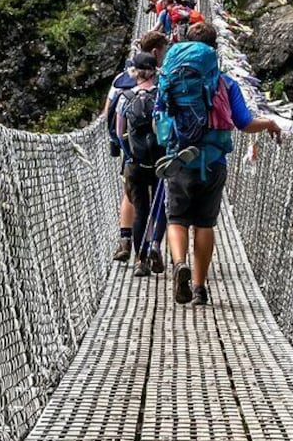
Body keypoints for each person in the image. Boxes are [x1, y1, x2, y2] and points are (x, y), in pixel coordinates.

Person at [161, 22, 281, 306]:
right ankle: (200, 288)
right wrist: (269, 123)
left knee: (176, 219)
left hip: (179, 159)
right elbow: (244, 123)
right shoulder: (226, 83)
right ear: (215, 50)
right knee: (205, 223)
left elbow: (161, 117)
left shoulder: (171, 77)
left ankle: (179, 265)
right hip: (213, 162)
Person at [103, 31, 169, 262]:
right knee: (160, 199)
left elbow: (109, 112)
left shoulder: (121, 80)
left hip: (134, 152)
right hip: (160, 154)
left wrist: (120, 145)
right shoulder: (163, 84)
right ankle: (154, 245)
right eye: (164, 51)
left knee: (132, 197)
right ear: (154, 53)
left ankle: (127, 241)